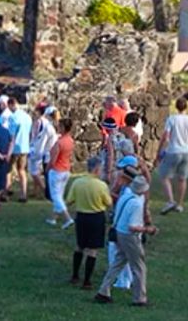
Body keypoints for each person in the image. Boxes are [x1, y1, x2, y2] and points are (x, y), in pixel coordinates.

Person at [95, 176, 157, 307]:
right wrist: (148, 229)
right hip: (130, 236)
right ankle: (140, 298)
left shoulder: (125, 196)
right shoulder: (136, 204)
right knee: (139, 266)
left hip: (119, 232)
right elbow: (133, 226)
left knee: (118, 263)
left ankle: (103, 291)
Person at [66, 156, 113, 290]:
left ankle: (75, 275)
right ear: (97, 169)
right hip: (96, 217)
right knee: (92, 249)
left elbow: (69, 201)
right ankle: (87, 280)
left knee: (80, 245)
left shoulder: (77, 182)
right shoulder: (101, 185)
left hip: (81, 216)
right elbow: (108, 203)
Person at [156, 97, 188, 215]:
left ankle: (170, 200)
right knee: (182, 179)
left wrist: (159, 152)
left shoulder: (172, 119)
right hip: (187, 151)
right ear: (187, 107)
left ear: (176, 107)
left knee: (164, 176)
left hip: (173, 151)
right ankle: (179, 205)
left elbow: (165, 137)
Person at [46, 118, 75, 229]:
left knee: (56, 196)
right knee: (59, 195)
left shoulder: (59, 143)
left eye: (60, 126)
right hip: (66, 170)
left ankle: (67, 218)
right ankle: (53, 217)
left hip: (57, 170)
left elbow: (53, 160)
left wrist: (47, 169)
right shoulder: (70, 140)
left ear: (63, 128)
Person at [6, 98, 32, 202]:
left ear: (12, 104)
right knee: (22, 170)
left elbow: (11, 135)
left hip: (15, 147)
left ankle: (6, 192)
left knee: (8, 170)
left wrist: (8, 151)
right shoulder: (27, 117)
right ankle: (23, 194)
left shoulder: (13, 117)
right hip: (25, 146)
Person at [28, 102, 48, 199]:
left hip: (36, 148)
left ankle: (44, 190)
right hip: (42, 148)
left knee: (34, 172)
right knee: (37, 170)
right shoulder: (45, 121)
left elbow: (35, 136)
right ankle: (35, 191)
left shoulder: (38, 122)